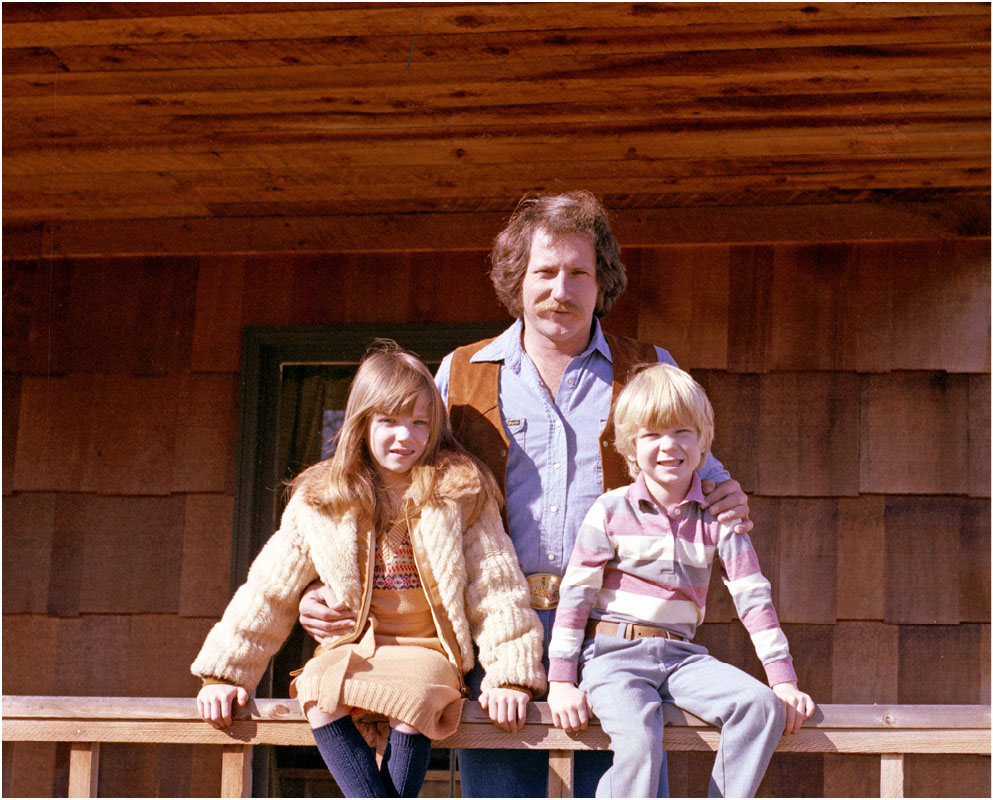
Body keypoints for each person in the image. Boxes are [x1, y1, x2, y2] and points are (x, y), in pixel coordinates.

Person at [299, 191, 753, 797]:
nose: (559, 290)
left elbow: (703, 475)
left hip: (614, 634)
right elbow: (388, 495)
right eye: (544, 272)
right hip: (499, 632)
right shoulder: (458, 375)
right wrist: (332, 586)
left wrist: (726, 494)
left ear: (602, 282)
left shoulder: (646, 369)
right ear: (517, 280)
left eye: (578, 273)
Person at [191, 342, 546, 798]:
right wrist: (226, 674)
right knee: (318, 691)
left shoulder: (459, 490)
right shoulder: (323, 498)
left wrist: (511, 676)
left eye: (420, 423)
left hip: (428, 649)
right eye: (390, 422)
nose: (407, 437)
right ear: (362, 423)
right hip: (356, 646)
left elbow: (496, 588)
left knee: (414, 696)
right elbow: (270, 589)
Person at [547, 363, 815, 797]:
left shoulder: (718, 516)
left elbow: (752, 598)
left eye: (681, 432)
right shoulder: (610, 510)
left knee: (760, 707)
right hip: (614, 657)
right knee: (639, 742)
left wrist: (782, 680)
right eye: (651, 434)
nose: (668, 446)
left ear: (703, 441)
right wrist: (561, 681)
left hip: (682, 657)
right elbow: (576, 598)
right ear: (631, 447)